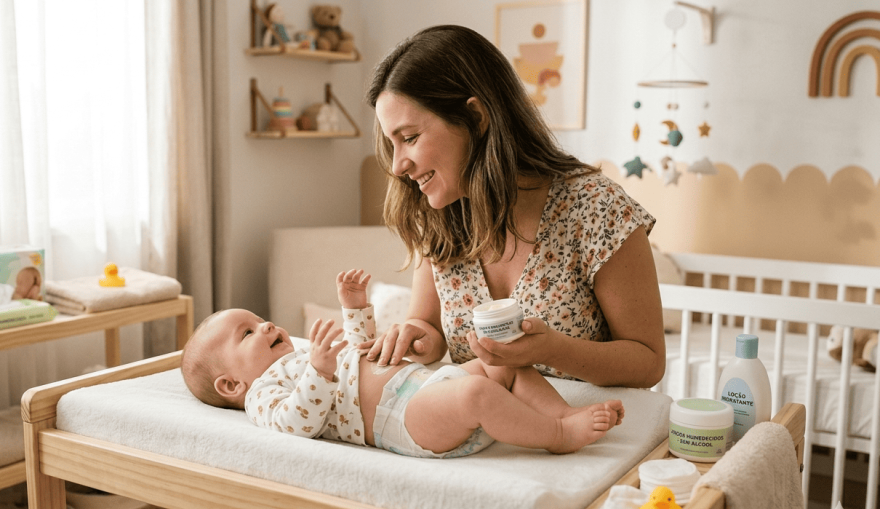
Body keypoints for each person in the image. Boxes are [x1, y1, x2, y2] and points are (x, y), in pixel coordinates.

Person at [363, 25, 666, 388]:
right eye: (392, 144)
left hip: (591, 432)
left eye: (409, 138)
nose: (397, 166)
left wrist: (551, 350)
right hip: (484, 437)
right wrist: (416, 335)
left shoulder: (597, 209)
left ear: (476, 118)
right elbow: (426, 325)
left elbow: (648, 362)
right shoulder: (442, 214)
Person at [181, 269, 624, 458]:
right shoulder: (263, 394)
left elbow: (363, 351)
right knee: (476, 392)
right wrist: (318, 371)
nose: (264, 326)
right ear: (229, 386)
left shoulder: (298, 356)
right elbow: (296, 424)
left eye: (258, 320)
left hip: (424, 382)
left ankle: (564, 412)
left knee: (500, 366)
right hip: (403, 420)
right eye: (247, 333)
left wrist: (353, 308)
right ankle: (558, 435)